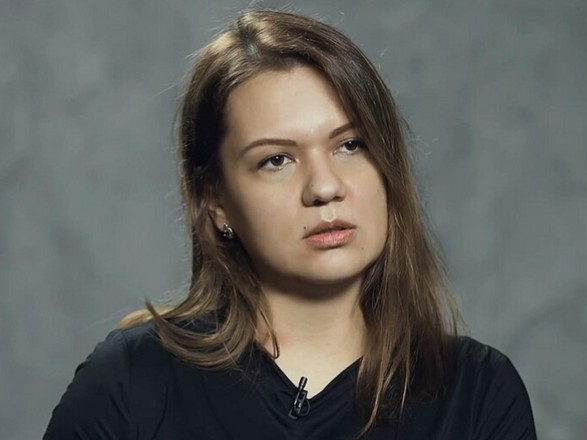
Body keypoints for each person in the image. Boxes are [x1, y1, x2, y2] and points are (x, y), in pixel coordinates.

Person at [44, 9, 536, 440]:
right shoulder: (131, 380)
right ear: (215, 201)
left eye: (350, 145)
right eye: (276, 159)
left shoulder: (477, 392)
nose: (324, 187)